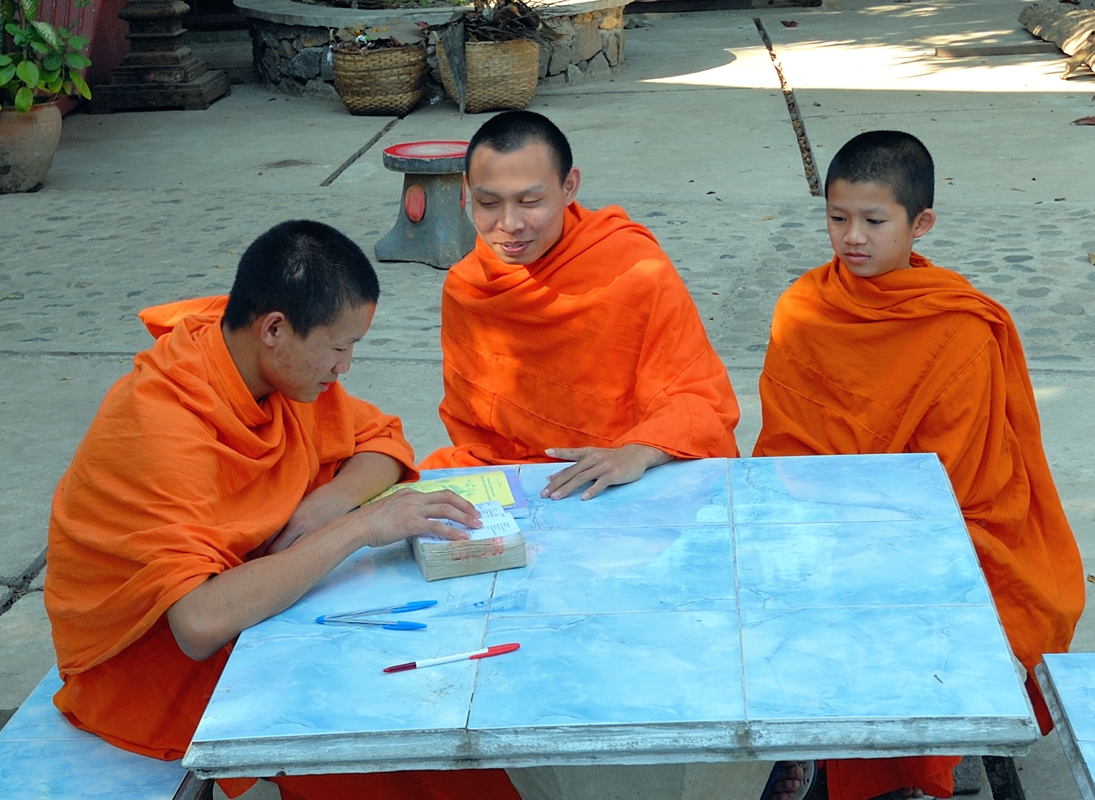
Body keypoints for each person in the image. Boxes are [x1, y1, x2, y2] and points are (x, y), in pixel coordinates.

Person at [44, 220, 521, 800]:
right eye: (339, 347)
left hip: (252, 600)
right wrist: (359, 527)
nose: (344, 367)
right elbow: (197, 624)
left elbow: (383, 444)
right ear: (274, 328)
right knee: (367, 720)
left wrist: (322, 508)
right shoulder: (162, 422)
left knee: (425, 709)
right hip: (150, 667)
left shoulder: (266, 370)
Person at [753, 131, 1085, 800]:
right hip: (824, 515)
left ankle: (898, 762)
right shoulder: (805, 308)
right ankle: (818, 748)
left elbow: (964, 478)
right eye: (838, 218)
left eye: (874, 221)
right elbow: (785, 443)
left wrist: (870, 530)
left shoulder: (958, 327)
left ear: (920, 223)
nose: (852, 237)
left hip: (943, 528)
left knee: (900, 607)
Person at [421, 110, 741, 500]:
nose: (509, 224)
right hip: (520, 479)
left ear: (569, 186)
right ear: (467, 192)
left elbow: (698, 399)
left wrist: (636, 452)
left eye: (530, 201)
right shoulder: (467, 288)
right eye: (488, 203)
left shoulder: (635, 270)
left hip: (628, 472)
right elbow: (472, 423)